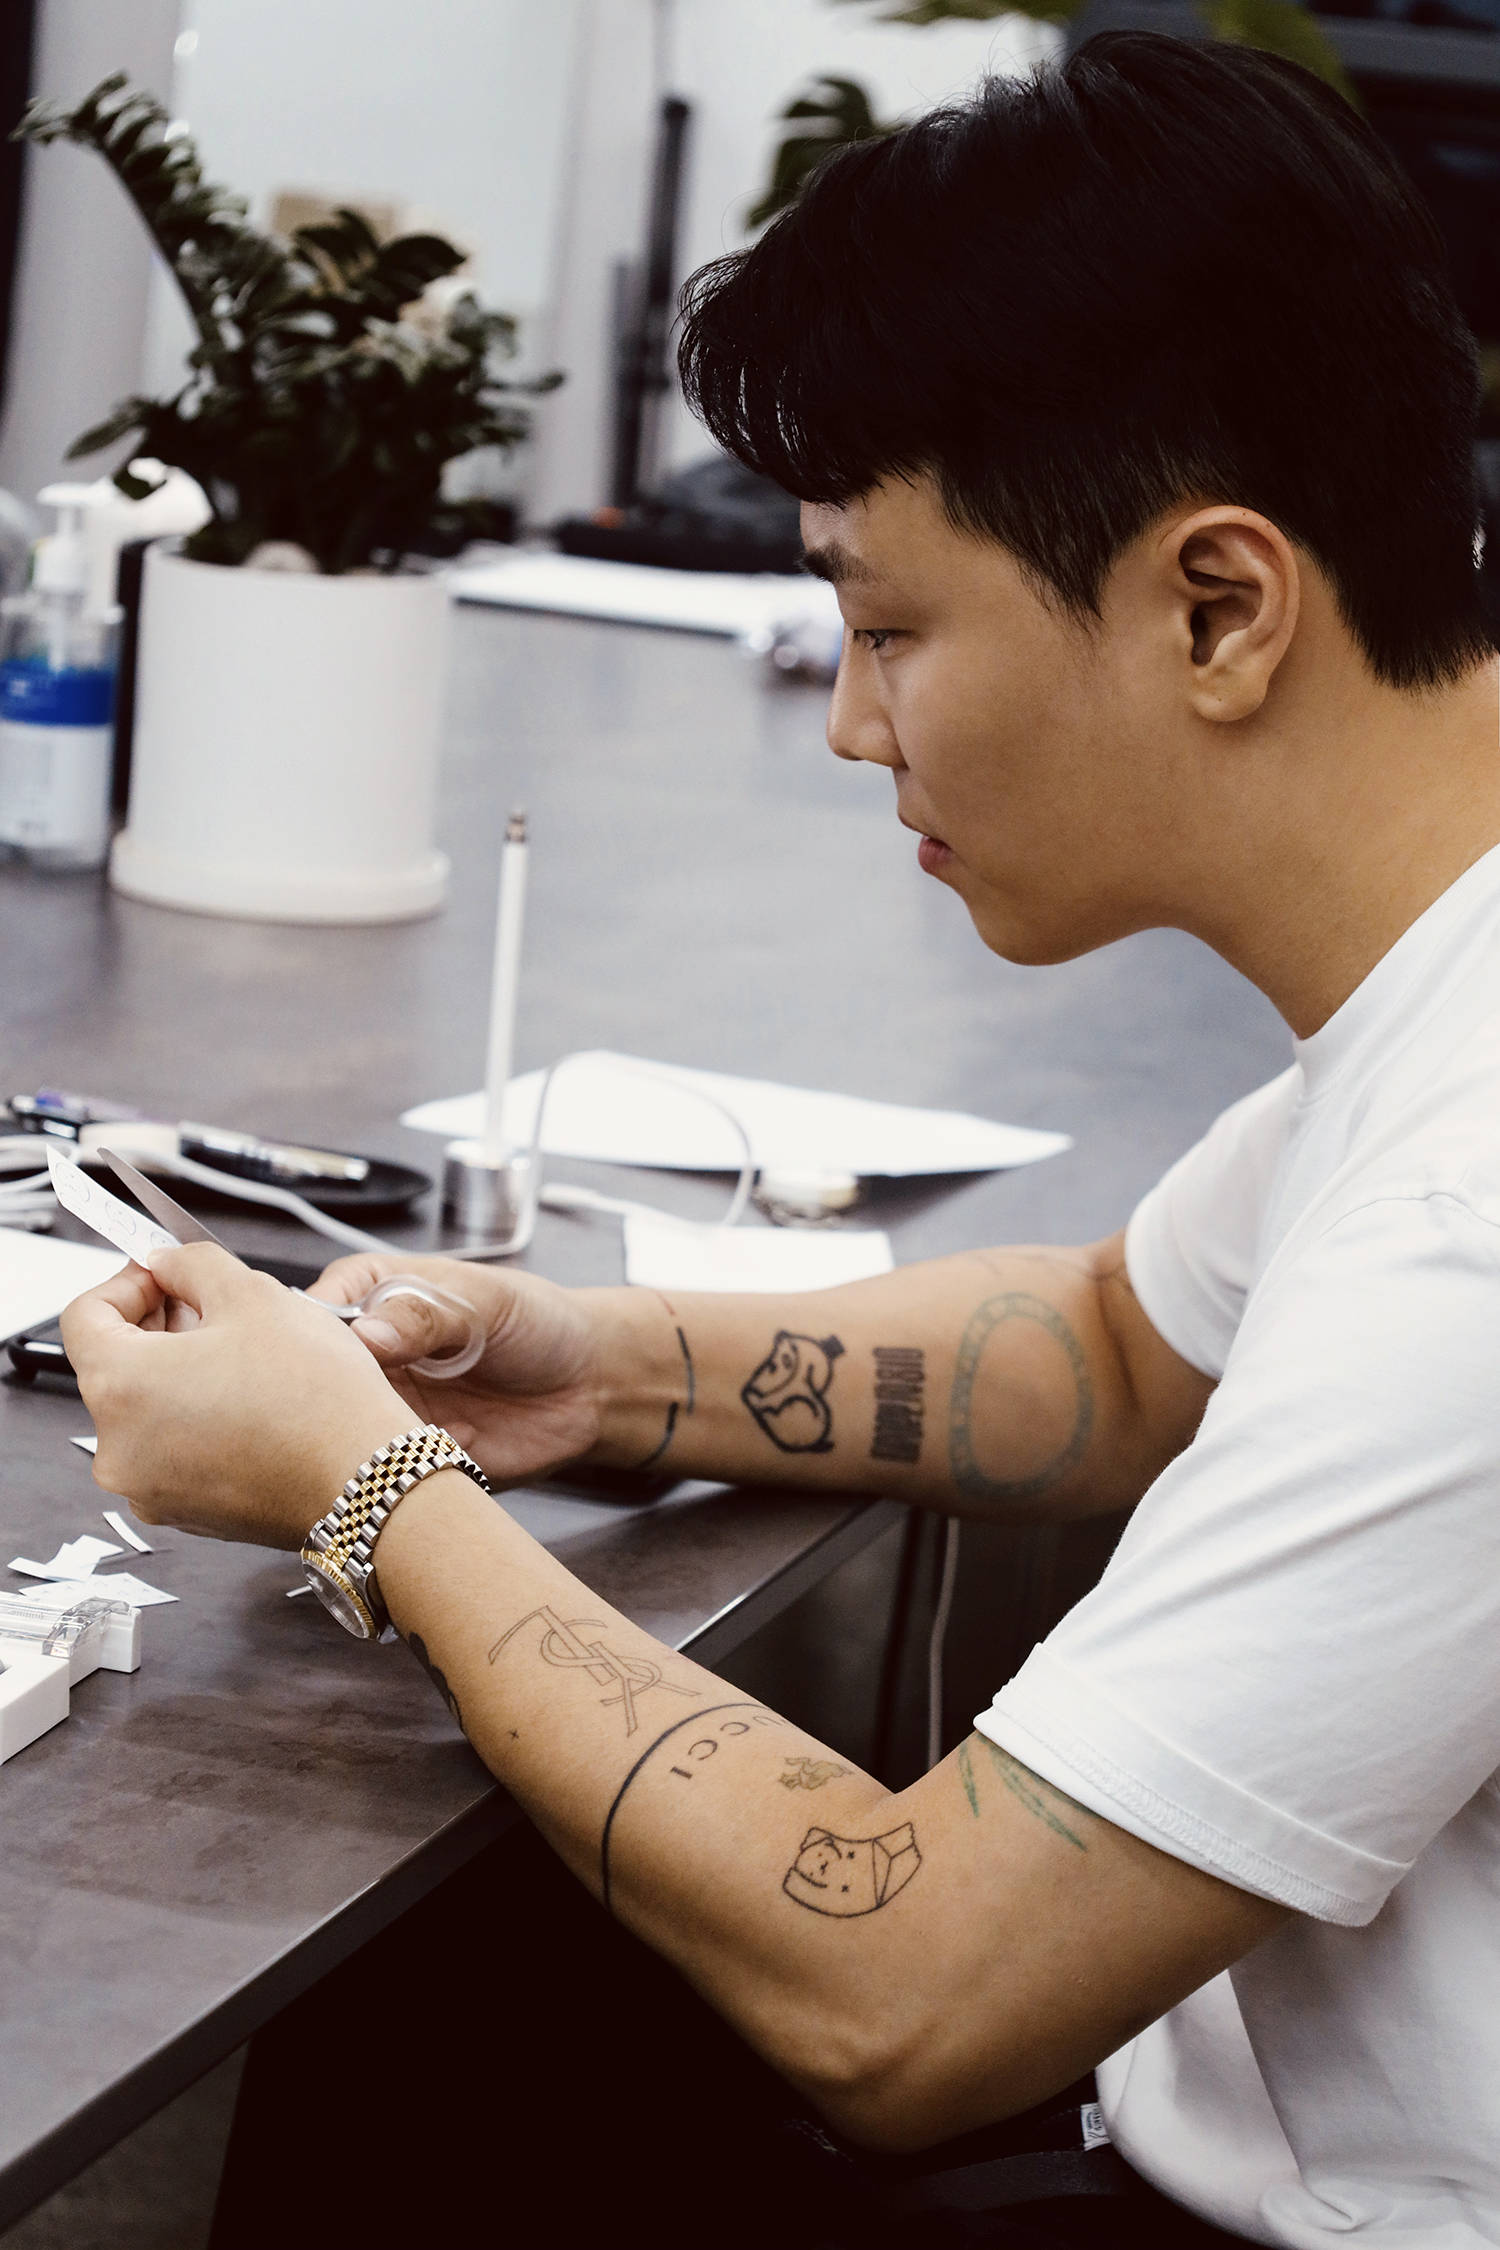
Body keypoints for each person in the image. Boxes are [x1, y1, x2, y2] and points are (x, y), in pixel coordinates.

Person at [62, 30, 1500, 2248]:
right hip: (1164, 2126)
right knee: (440, 1998)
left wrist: (375, 1493)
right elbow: (1127, 1349)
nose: (848, 722)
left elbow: (905, 1986)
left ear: (1218, 606)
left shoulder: (1468, 1231)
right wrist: (601, 1363)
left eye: (891, 625)